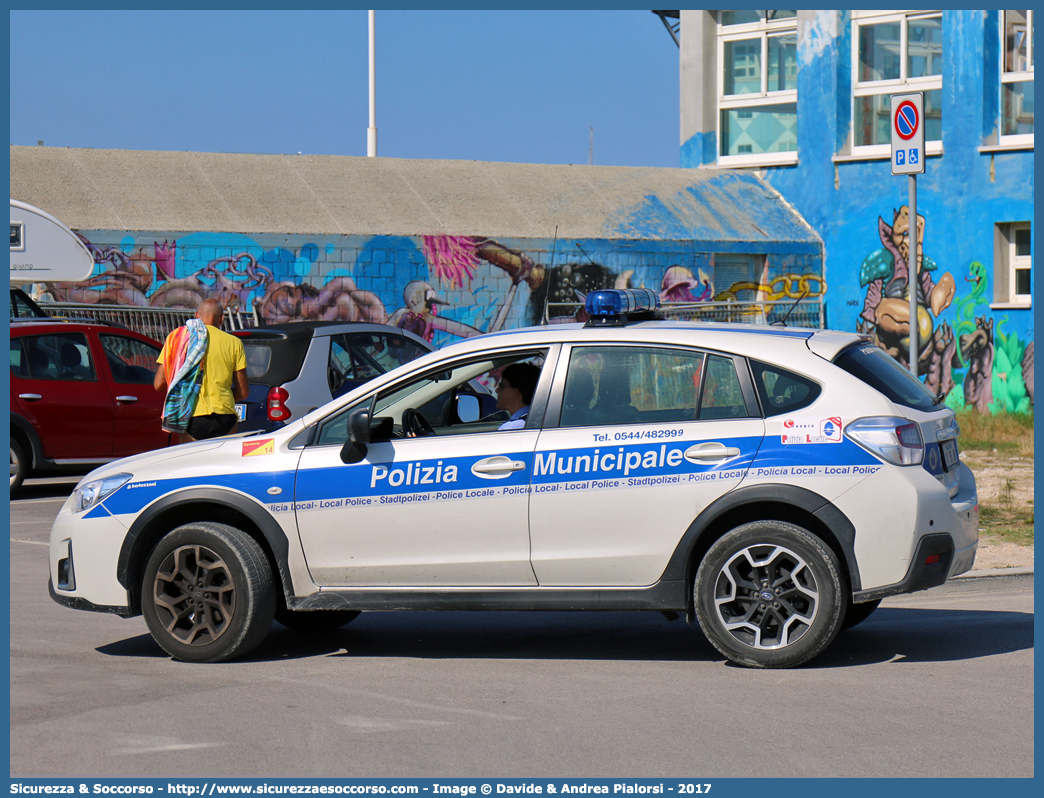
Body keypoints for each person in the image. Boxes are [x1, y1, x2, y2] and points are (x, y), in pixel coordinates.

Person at [155, 298, 249, 442]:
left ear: (196, 316)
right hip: (225, 416)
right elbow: (243, 391)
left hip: (192, 416)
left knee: (192, 463)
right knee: (222, 462)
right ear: (222, 318)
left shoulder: (177, 339)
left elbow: (159, 384)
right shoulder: (234, 342)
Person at [496, 362, 540, 430]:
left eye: (502, 386)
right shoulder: (540, 420)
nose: (497, 390)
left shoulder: (509, 428)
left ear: (516, 392)